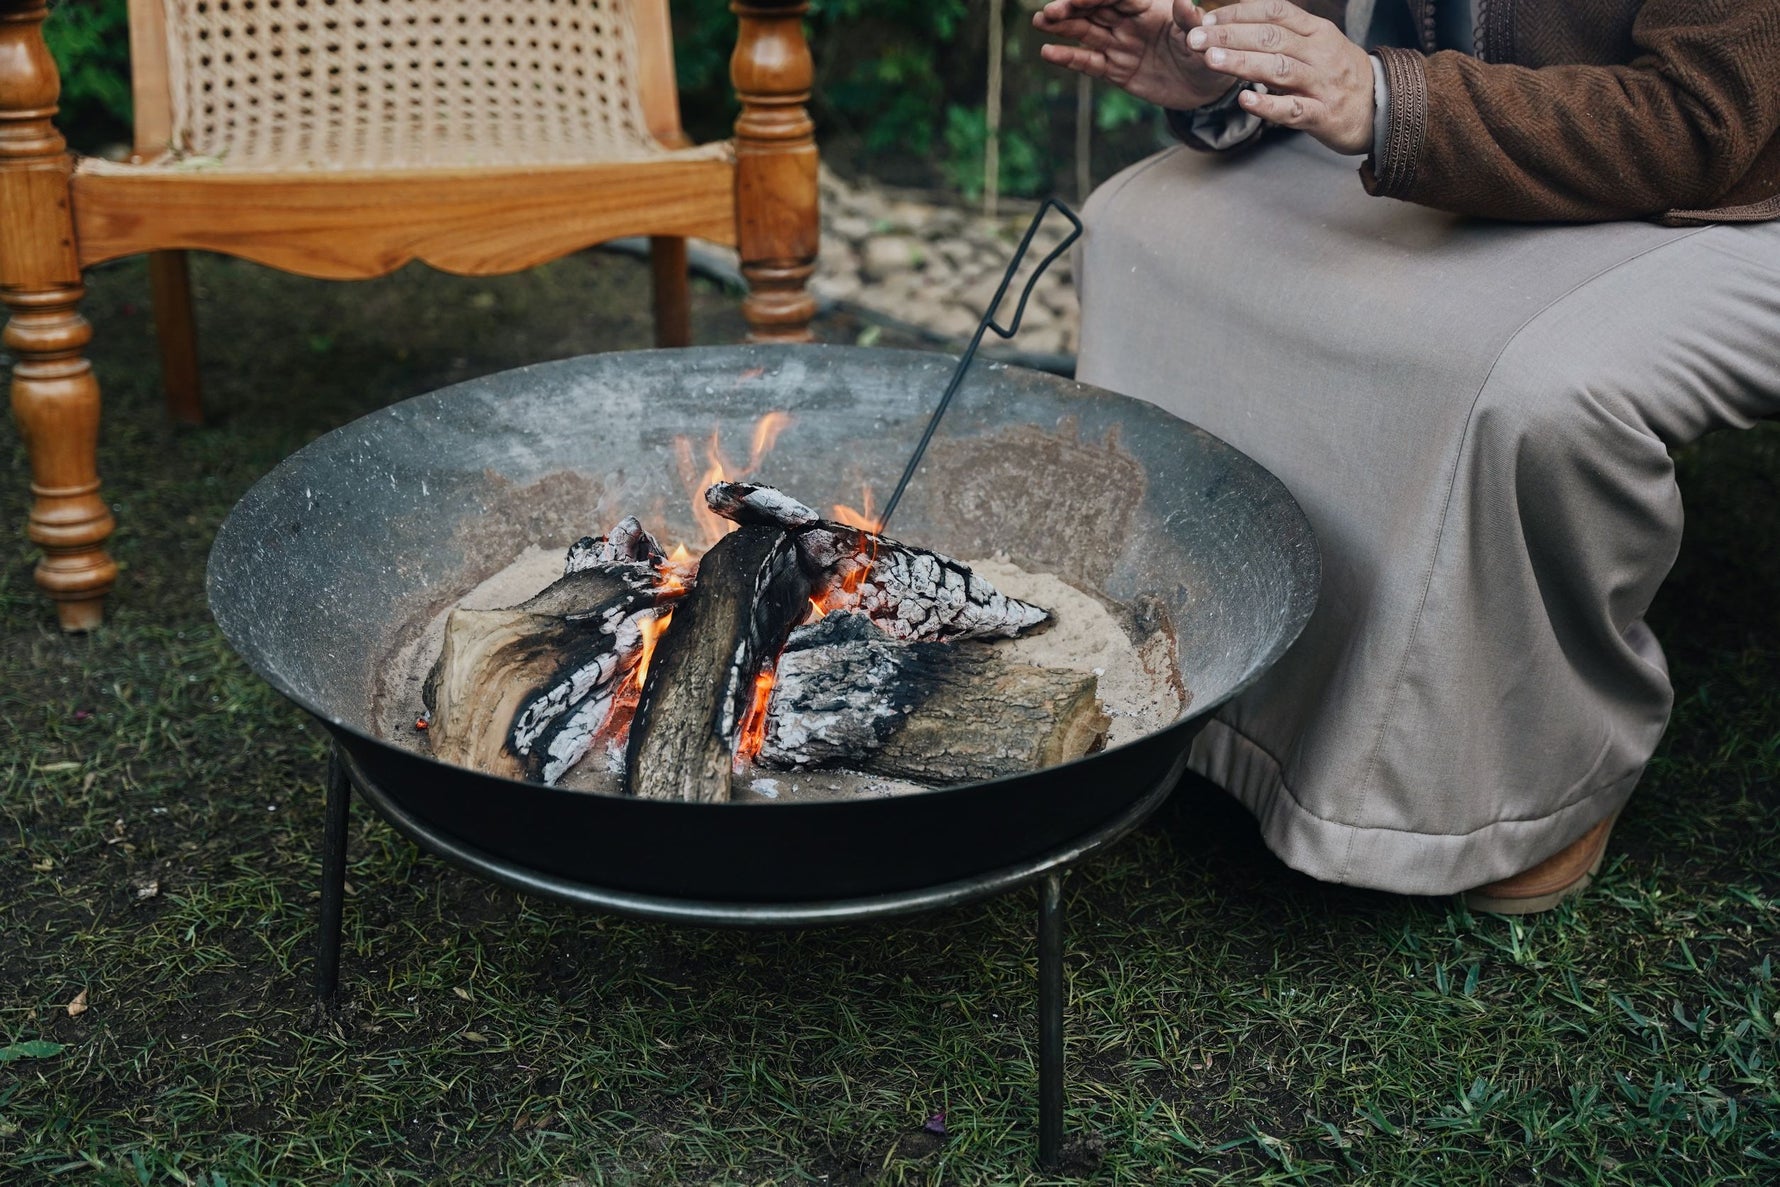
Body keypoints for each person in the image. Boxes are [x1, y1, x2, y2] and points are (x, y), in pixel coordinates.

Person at [1034, 0, 1780, 912]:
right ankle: (1190, 677)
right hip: (1436, 140)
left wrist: (1390, 100)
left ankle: (1516, 789)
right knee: (1139, 228)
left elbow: (1702, 121)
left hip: (1717, 193)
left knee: (1530, 388)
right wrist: (1226, 66)